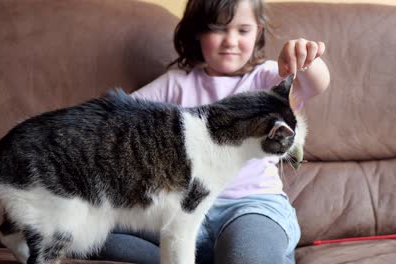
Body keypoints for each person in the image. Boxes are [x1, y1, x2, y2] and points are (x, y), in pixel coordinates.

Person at [95, 0, 330, 263]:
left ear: (258, 32)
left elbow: (315, 85)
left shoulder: (266, 78)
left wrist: (305, 60)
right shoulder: (177, 83)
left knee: (247, 255)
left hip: (251, 207)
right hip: (185, 210)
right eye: (218, 29)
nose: (230, 41)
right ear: (198, 33)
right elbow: (118, 116)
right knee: (95, 232)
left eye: (243, 31)